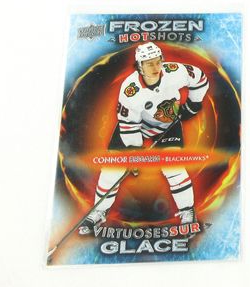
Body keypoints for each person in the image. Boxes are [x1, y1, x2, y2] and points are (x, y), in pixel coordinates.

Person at [79, 42, 209, 233]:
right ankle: (98, 211)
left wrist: (193, 104)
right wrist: (135, 155)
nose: (156, 67)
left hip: (168, 126)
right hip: (135, 127)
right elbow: (128, 124)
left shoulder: (174, 72)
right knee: (112, 170)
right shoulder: (130, 90)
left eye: (158, 61)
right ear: (140, 66)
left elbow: (200, 78)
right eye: (149, 64)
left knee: (173, 167)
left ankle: (187, 211)